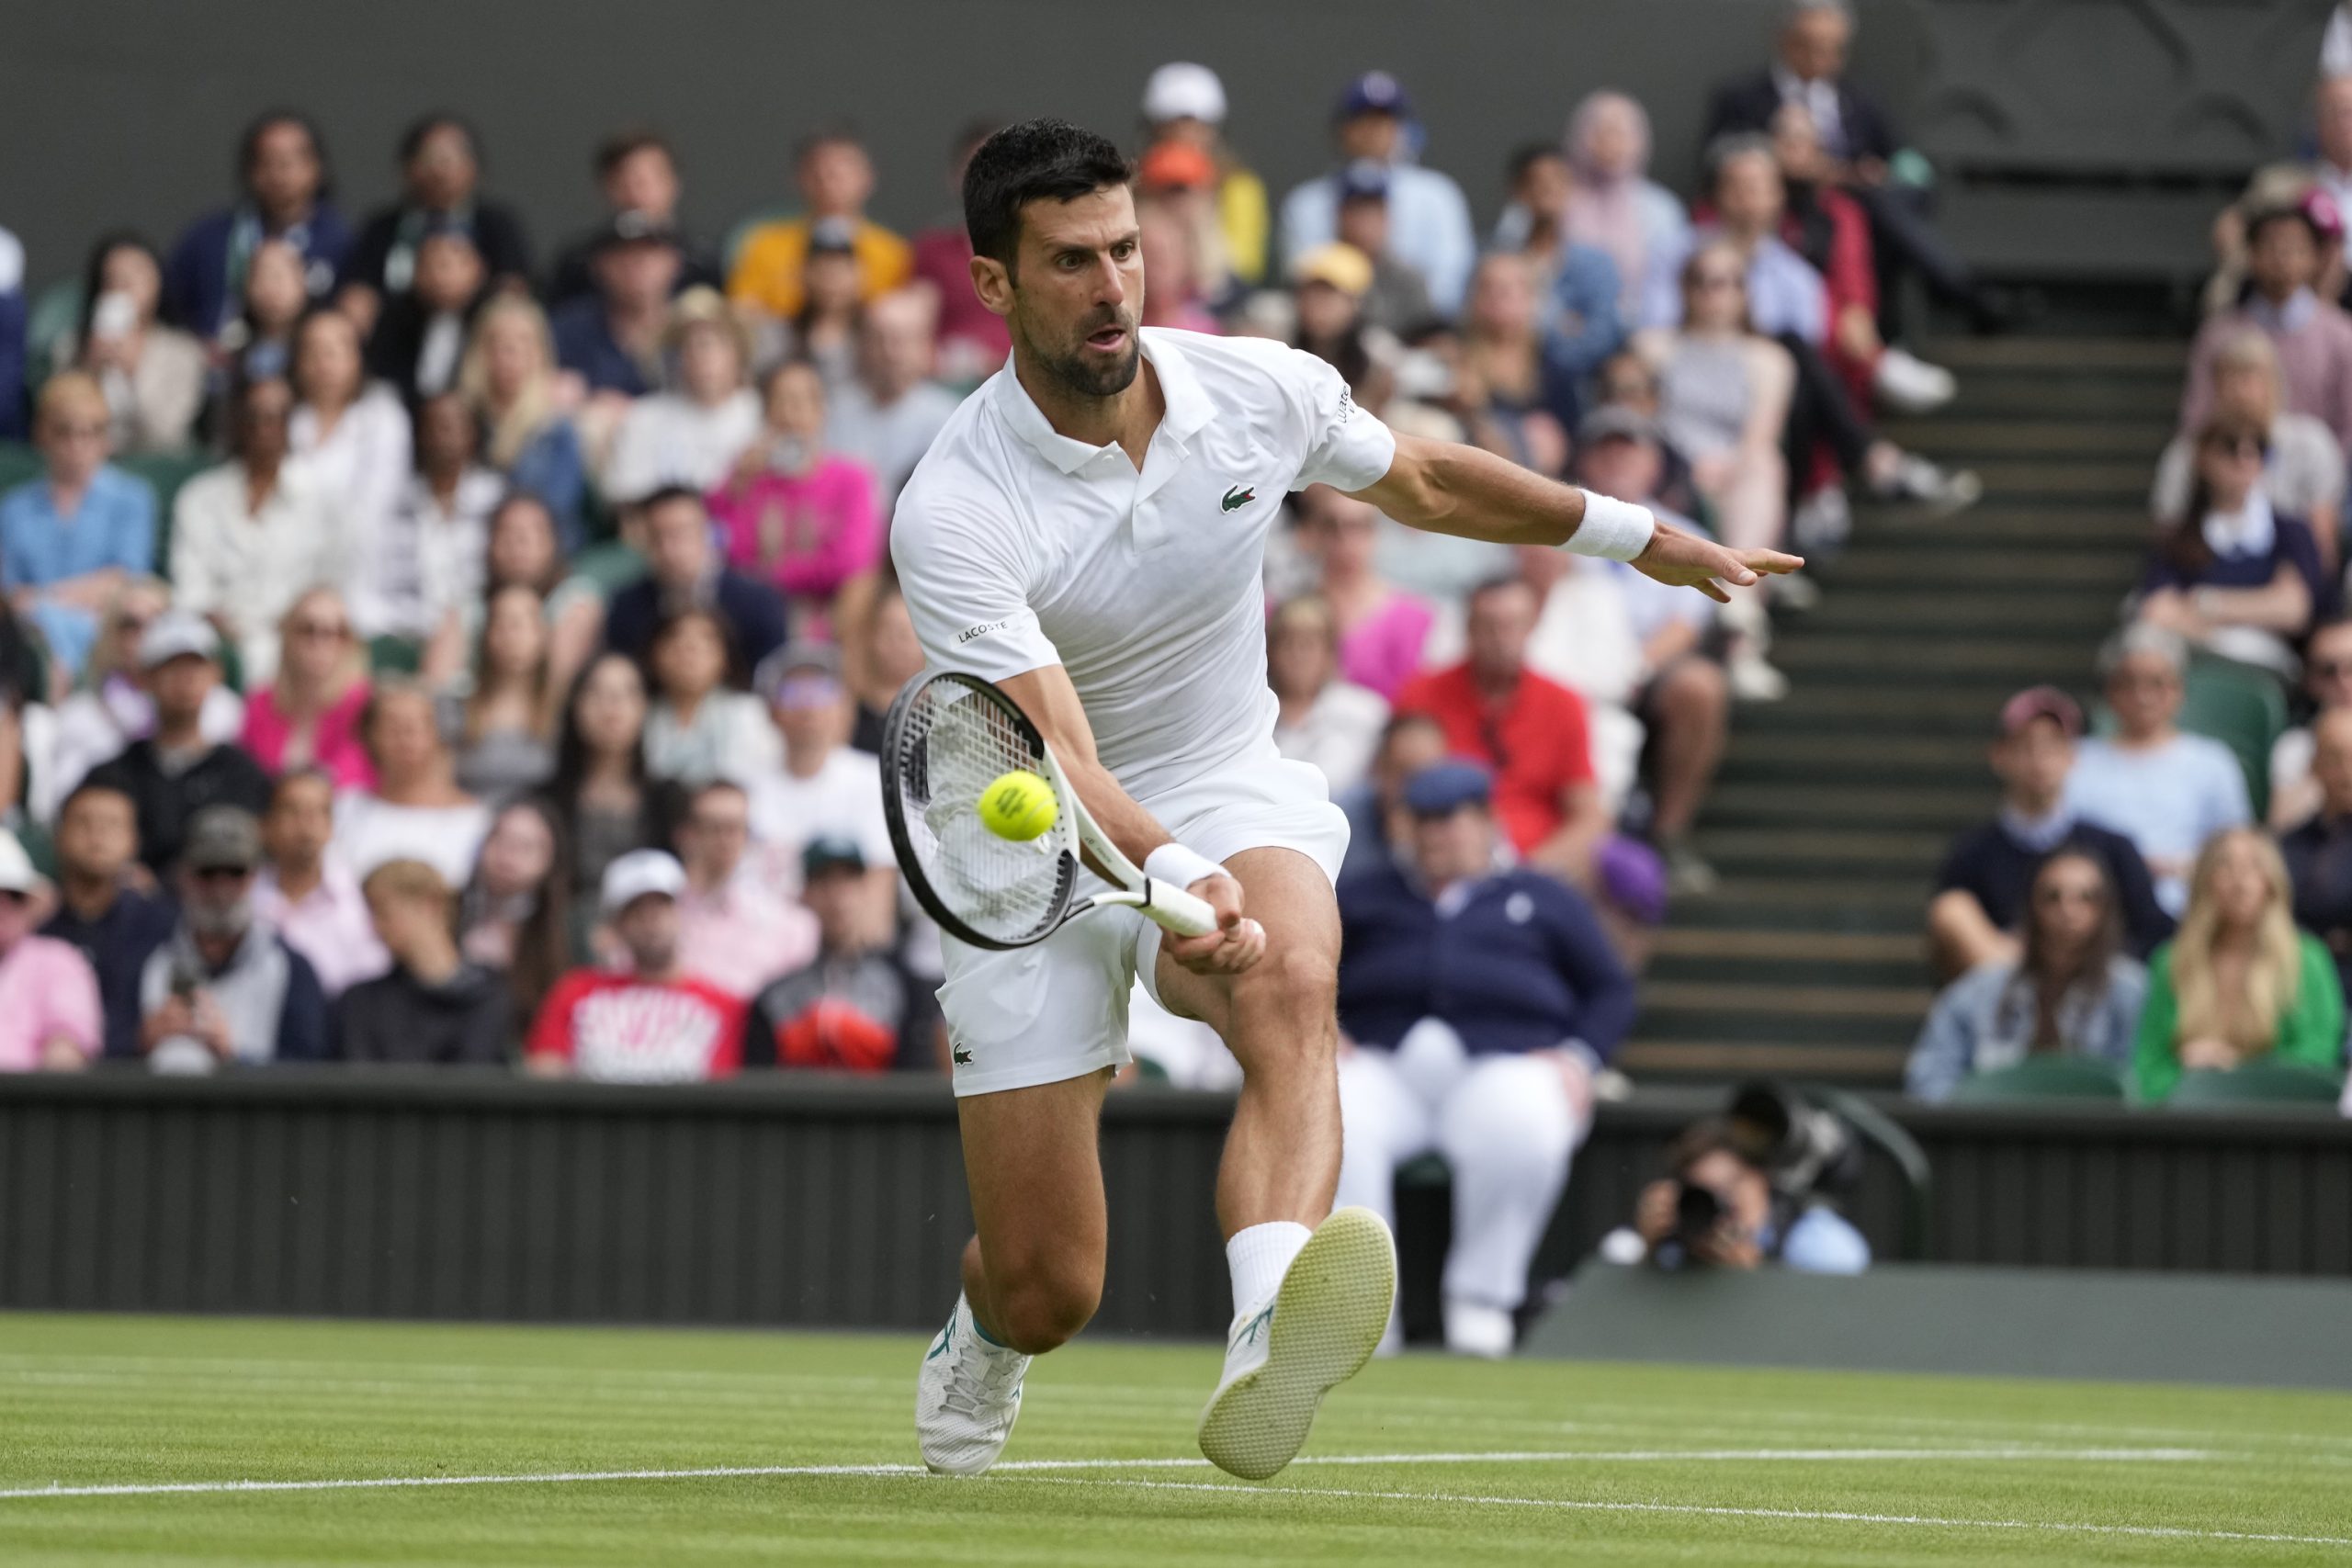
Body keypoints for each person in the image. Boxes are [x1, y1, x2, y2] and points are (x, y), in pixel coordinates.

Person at [891, 119, 1789, 1479]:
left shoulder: (1257, 389)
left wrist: (1630, 531)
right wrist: (1178, 875)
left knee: (1295, 980)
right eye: (1072, 261)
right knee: (1051, 1284)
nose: (1113, 285)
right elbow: (1060, 749)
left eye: (1127, 248)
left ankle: (1267, 1328)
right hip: (1035, 833)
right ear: (997, 284)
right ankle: (986, 1334)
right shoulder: (954, 505)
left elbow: (1422, 476)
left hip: (1222, 768)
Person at [1333, 761, 1634, 1355]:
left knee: (1527, 1113)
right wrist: (1322, 1030)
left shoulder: (1542, 895)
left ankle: (1481, 1300)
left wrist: (1578, 1057)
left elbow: (1611, 988)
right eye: (1424, 820)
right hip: (1383, 1067)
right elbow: (1310, 966)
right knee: (1325, 1105)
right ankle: (1360, 1315)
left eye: (1453, 819)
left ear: (1486, 821)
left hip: (1503, 1065)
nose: (1438, 834)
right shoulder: (1364, 895)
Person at [1704, 0, 1996, 335]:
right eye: (1810, 46)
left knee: (1884, 208)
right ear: (1785, 40)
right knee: (1878, 213)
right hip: (1785, 206)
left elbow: (1906, 159)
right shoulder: (1742, 97)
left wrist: (1882, 172)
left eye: (1833, 50)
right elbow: (1719, 159)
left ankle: (1890, 329)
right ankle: (1959, 290)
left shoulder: (1859, 97)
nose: (1821, 59)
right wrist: (1784, 163)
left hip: (1859, 205)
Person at [1571, 410, 1735, 885]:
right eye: (1607, 448)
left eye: (1631, 449)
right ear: (1585, 459)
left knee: (1700, 687)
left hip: (1645, 672)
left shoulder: (1688, 534)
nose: (1618, 458)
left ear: (1655, 464)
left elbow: (1686, 623)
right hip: (1574, 669)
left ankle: (1670, 831)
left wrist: (1633, 669)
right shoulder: (1551, 526)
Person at [1634, 246, 1793, 699]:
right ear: (1685, 290)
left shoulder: (1769, 358)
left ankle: (1739, 619)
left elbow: (1761, 433)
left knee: (1763, 469)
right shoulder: (1653, 347)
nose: (1712, 294)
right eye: (1701, 281)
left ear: (1743, 293)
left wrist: (1726, 468)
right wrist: (1691, 463)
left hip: (1737, 470)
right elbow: (1647, 416)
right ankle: (1743, 624)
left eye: (1724, 282)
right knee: (1760, 482)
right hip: (1672, 466)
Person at [1929, 685, 2173, 977]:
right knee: (1952, 909)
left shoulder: (2114, 847)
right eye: (2025, 746)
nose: (2039, 759)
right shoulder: (1971, 854)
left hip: (2099, 997)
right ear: (1999, 756)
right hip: (2008, 1000)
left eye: (2052, 746)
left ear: (2073, 756)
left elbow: (2154, 932)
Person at [1395, 578, 1610, 886]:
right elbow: (1397, 801)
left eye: (1513, 625)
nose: (1501, 638)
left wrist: (1529, 875)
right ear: (1468, 628)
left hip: (1536, 871)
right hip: (1441, 865)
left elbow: (1589, 816)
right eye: (1489, 625)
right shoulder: (1421, 695)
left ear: (1533, 626)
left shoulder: (1564, 703)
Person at [1906, 849, 2149, 1100]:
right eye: (2053, 897)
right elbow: (1928, 1078)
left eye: (2086, 898)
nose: (2068, 910)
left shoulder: (2135, 993)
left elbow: (2145, 1087)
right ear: (2031, 905)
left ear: (2105, 910)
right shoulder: (1976, 993)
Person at [2133, 827, 2346, 1102]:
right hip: (2190, 1123)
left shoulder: (2308, 959)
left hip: (2281, 1122)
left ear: (2272, 881)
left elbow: (2319, 1055)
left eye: (2254, 866)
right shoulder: (2171, 962)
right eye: (2225, 866)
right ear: (2204, 880)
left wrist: (2236, 1072)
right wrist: (2188, 1073)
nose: (2240, 881)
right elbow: (2146, 1068)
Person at [167, 373, 348, 684]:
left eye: (276, 418)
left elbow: (330, 585)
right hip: (211, 641)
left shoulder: (321, 502)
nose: (264, 428)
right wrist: (212, 619)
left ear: (291, 425)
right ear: (237, 422)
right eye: (254, 417)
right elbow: (189, 585)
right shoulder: (199, 496)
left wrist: (292, 624)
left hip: (289, 644)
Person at [2065, 626, 2253, 916]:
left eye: (2157, 683)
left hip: (2190, 911)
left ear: (2179, 690)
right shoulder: (2076, 760)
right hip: (2096, 912)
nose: (2143, 696)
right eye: (2129, 683)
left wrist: (2179, 868)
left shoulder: (2213, 762)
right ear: (2110, 692)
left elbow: (2236, 849)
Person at [2135, 412, 2331, 675]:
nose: (2244, 459)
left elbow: (2292, 609)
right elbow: (2156, 610)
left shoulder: (2290, 531)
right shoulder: (2180, 537)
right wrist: (2258, 607)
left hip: (2270, 670)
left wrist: (2205, 604)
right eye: (2230, 447)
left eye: (2257, 449)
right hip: (2196, 664)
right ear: (2203, 459)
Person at [137, 805, 329, 1072]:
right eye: (208, 873)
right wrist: (143, 1041)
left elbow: (310, 1071)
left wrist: (234, 1058)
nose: (221, 889)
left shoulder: (291, 967)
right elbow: (103, 1052)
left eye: (235, 872)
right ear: (184, 876)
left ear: (254, 877)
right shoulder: (144, 954)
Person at [526, 848, 742, 1082]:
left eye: (661, 905)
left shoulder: (723, 1005)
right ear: (617, 925)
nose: (651, 920)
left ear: (682, 912)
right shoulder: (575, 992)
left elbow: (726, 1089)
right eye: (636, 910)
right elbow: (544, 1073)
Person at [40, 578, 243, 826]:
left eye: (159, 620)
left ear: (214, 672)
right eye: (131, 624)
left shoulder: (229, 716)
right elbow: (65, 811)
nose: (146, 634)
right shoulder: (81, 717)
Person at [87, 612, 273, 876]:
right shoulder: (114, 776)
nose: (186, 677)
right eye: (172, 665)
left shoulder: (242, 774)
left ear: (216, 673)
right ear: (145, 678)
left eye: (196, 664)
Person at [0, 372, 156, 681]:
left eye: (90, 433)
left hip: (107, 633)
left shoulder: (132, 498)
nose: (77, 446)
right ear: (43, 434)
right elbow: (11, 595)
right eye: (65, 433)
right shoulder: (13, 508)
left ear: (105, 439)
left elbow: (124, 581)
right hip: (33, 638)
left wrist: (44, 600)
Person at [709, 358, 884, 635]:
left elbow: (849, 561)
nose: (791, 415)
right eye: (781, 402)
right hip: (758, 616)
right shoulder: (749, 478)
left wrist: (770, 576)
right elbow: (727, 552)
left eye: (802, 402)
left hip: (835, 618)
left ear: (821, 411)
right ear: (766, 414)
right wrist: (737, 482)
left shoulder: (852, 478)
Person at [1279, 73, 1476, 315]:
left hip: (1417, 326)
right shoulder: (1306, 202)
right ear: (1341, 128)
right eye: (1363, 120)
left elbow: (1451, 280)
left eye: (1383, 121)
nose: (1373, 131)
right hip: (1329, 327)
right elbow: (1301, 279)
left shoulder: (1438, 194)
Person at [742, 835, 935, 1072]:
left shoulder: (904, 987)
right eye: (824, 881)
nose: (838, 895)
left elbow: (915, 1078)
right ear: (806, 893)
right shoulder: (775, 996)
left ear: (865, 890)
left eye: (849, 880)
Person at [2156, 332, 2343, 570]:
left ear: (2274, 383)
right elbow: (2168, 537)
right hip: (2203, 572)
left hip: (2288, 579)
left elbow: (2322, 548)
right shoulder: (2186, 453)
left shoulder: (2310, 444)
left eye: (2249, 378)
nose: (2240, 392)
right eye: (2229, 379)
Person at [2183, 192, 2352, 452]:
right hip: (2236, 472)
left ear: (2315, 258)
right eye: (2271, 247)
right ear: (2251, 254)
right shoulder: (2219, 335)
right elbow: (2197, 419)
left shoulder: (2341, 335)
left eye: (2295, 248)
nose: (2282, 259)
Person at [338, 115, 531, 339]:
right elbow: (361, 289)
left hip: (475, 337)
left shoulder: (497, 224)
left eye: (453, 157)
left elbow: (514, 284)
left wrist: (472, 288)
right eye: (430, 157)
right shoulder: (382, 228)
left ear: (475, 168)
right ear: (407, 168)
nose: (441, 170)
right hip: (397, 336)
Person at [163, 110, 349, 342]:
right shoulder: (208, 239)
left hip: (303, 371)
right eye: (267, 160)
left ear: (317, 167)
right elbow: (170, 306)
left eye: (290, 160)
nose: (279, 172)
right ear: (249, 170)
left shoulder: (343, 244)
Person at [539, 652, 684, 931]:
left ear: (645, 708)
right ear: (575, 706)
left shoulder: (670, 799)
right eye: (597, 693)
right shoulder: (546, 801)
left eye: (627, 693)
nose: (612, 706)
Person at [1628, 1113, 1870, 1274]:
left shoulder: (1819, 1242)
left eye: (1730, 1185)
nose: (1720, 1201)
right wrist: (1649, 1254)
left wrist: (1752, 1275)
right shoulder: (1671, 1249)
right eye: (1705, 1191)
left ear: (1762, 1180)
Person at [41, 779, 175, 1060]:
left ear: (134, 841)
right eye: (83, 823)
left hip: (139, 1081)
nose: (97, 835)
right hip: (46, 1086)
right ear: (58, 837)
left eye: (112, 824)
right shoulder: (36, 927)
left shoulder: (162, 925)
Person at [745, 642, 893, 888]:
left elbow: (879, 885)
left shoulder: (873, 780)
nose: (808, 707)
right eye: (792, 693)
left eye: (822, 691)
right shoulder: (747, 787)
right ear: (771, 711)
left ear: (844, 707)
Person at [334, 857, 510, 1065]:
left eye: (383, 913)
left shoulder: (489, 995)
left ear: (430, 905)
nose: (375, 928)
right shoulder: (360, 1002)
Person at [728, 127, 915, 321]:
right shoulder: (765, 245)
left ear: (868, 177)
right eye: (816, 168)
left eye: (843, 167)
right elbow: (742, 313)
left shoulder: (894, 253)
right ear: (797, 178)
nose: (828, 178)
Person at [601, 288, 762, 507]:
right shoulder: (644, 418)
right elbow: (625, 498)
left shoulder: (763, 414)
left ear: (738, 352)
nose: (702, 356)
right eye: (690, 346)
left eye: (713, 344)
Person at [602, 485, 788, 672]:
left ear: (707, 530)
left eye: (680, 533)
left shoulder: (757, 602)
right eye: (656, 537)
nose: (669, 549)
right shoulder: (626, 607)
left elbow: (772, 678)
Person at [367, 389, 501, 647]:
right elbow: (374, 584)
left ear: (472, 434)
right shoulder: (394, 504)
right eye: (434, 426)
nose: (442, 436)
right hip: (403, 638)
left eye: (452, 426)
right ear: (420, 436)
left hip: (476, 639)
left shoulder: (494, 501)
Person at [288, 306, 411, 579]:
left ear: (357, 358)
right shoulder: (285, 419)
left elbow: (376, 509)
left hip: (366, 569)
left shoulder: (383, 418)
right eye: (313, 351)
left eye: (335, 351)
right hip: (287, 565)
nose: (324, 362)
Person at [458, 297, 589, 550]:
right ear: (479, 352)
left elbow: (556, 514)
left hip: (537, 555)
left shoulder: (556, 430)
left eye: (523, 343)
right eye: (499, 344)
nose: (510, 355)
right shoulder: (460, 420)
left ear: (540, 353)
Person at [58, 234, 208, 454]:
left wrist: (132, 371)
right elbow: (59, 425)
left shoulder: (184, 352)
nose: (124, 286)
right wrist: (89, 370)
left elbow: (166, 436)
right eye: (114, 278)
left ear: (158, 283)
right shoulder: (71, 348)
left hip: (157, 467)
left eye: (135, 276)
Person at [332, 682, 491, 888]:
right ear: (369, 735)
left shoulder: (476, 821)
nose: (406, 734)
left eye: (421, 723)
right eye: (391, 724)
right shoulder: (344, 809)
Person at [672, 778, 816, 1000]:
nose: (724, 839)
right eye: (713, 827)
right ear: (687, 834)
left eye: (734, 828)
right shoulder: (664, 908)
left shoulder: (784, 921)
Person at [252, 766, 386, 999]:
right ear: (265, 826)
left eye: (320, 811)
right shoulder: (243, 897)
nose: (307, 823)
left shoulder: (359, 901)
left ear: (332, 827)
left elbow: (372, 984)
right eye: (292, 810)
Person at [548, 128, 721, 307]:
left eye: (644, 182)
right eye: (622, 183)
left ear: (673, 182)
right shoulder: (579, 264)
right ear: (605, 188)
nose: (635, 195)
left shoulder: (703, 262)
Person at [1290, 485, 1432, 703]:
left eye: (1358, 527)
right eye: (1332, 526)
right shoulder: (1286, 614)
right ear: (1311, 533)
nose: (1345, 541)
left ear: (1375, 533)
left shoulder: (1416, 617)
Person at [824, 289, 963, 513]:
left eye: (901, 341)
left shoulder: (951, 417)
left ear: (924, 347)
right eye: (879, 340)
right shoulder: (835, 409)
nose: (890, 352)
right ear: (863, 346)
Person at [1563, 91, 1691, 325]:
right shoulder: (1549, 201)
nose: (1611, 143)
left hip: (1644, 335)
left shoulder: (1662, 209)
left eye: (1621, 133)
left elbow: (1673, 286)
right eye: (1600, 132)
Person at [1141, 62, 1270, 288]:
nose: (1186, 136)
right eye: (1173, 126)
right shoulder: (1131, 181)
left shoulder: (1239, 185)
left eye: (1197, 126)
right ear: (1155, 129)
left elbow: (1245, 270)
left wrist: (1198, 222)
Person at [239, 588, 375, 789]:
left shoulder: (367, 706)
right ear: (287, 636)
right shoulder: (259, 704)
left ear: (349, 642)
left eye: (334, 633)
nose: (318, 642)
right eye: (307, 630)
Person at [912, 121, 1015, 382]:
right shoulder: (931, 251)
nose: (990, 181)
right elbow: (913, 332)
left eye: (1002, 168)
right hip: (950, 388)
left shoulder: (1047, 249)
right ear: (955, 177)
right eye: (976, 168)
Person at [456, 796, 570, 1023]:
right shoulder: (449, 912)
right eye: (501, 839)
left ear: (551, 861)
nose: (509, 855)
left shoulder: (566, 930)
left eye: (527, 847)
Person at [549, 210, 684, 402]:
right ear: (597, 265)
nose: (636, 263)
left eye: (649, 251)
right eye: (621, 253)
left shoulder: (695, 323)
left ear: (674, 261)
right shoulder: (568, 330)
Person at [0, 829, 102, 1073]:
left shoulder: (59, 961)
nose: (3, 906)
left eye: (14, 895)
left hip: (25, 1106)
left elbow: (67, 1047)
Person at [642, 606, 781, 785]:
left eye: (706, 638)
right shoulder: (636, 713)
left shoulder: (752, 714)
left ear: (725, 658)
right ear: (654, 654)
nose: (689, 647)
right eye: (674, 636)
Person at [451, 582, 562, 802]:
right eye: (502, 624)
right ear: (486, 637)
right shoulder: (457, 709)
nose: (513, 636)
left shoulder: (562, 712)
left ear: (544, 635)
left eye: (524, 624)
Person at [1269, 596, 1387, 797]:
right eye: (1288, 644)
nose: (1298, 655)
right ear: (1270, 652)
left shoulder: (1368, 713)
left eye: (1308, 645)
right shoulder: (1255, 715)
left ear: (1330, 653)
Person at [362, 225, 489, 405]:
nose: (439, 276)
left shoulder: (492, 319)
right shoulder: (396, 318)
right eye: (429, 264)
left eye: (448, 265)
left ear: (478, 269)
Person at [2270, 618, 2352, 829]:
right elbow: (2283, 830)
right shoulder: (2296, 747)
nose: (2344, 681)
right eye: (2329, 670)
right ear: (2311, 680)